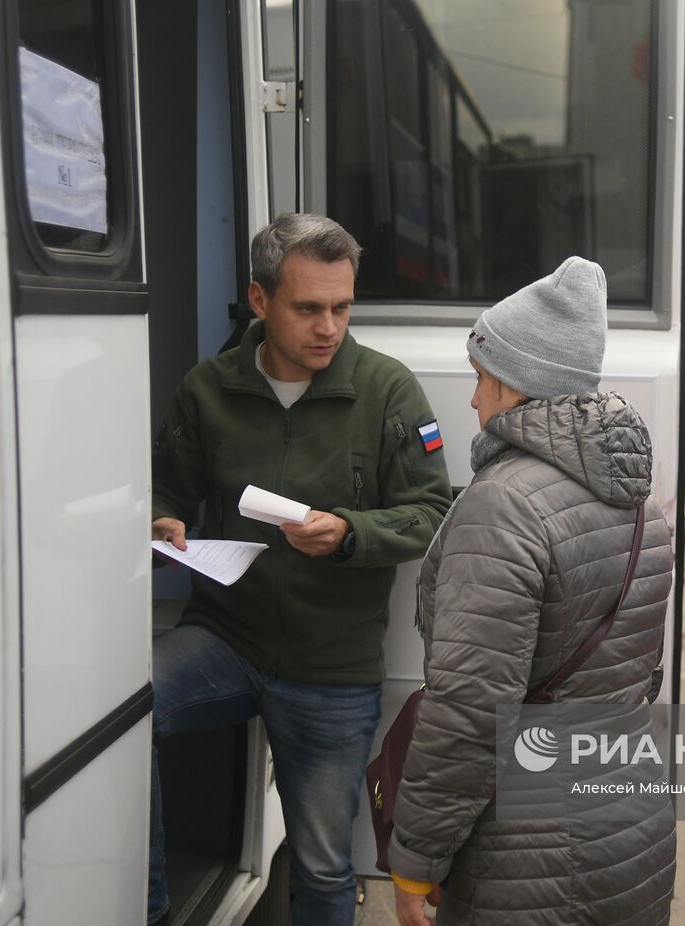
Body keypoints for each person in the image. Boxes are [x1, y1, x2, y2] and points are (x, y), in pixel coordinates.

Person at [149, 213, 452, 925]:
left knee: (322, 866)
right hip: (223, 639)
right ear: (260, 302)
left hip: (330, 664)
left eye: (342, 308)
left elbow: (431, 514)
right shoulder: (208, 389)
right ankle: (151, 907)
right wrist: (162, 520)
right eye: (308, 308)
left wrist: (351, 533)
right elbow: (166, 487)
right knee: (130, 712)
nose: (329, 327)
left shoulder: (387, 391)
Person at [386, 257, 676, 926]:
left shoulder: (503, 504)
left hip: (534, 849)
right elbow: (639, 673)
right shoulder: (638, 501)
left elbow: (469, 712)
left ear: (516, 387)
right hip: (631, 819)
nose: (472, 399)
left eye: (481, 378)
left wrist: (415, 861)